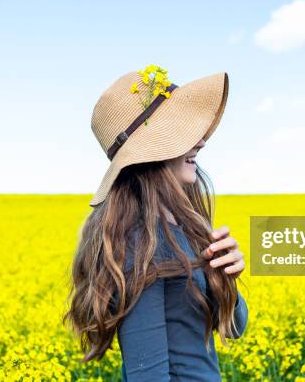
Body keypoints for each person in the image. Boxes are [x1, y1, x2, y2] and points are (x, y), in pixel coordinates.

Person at [64, 65, 248, 381]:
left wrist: (226, 279)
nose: (202, 141)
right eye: (184, 133)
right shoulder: (142, 245)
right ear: (152, 153)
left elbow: (232, 328)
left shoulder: (183, 229)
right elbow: (146, 375)